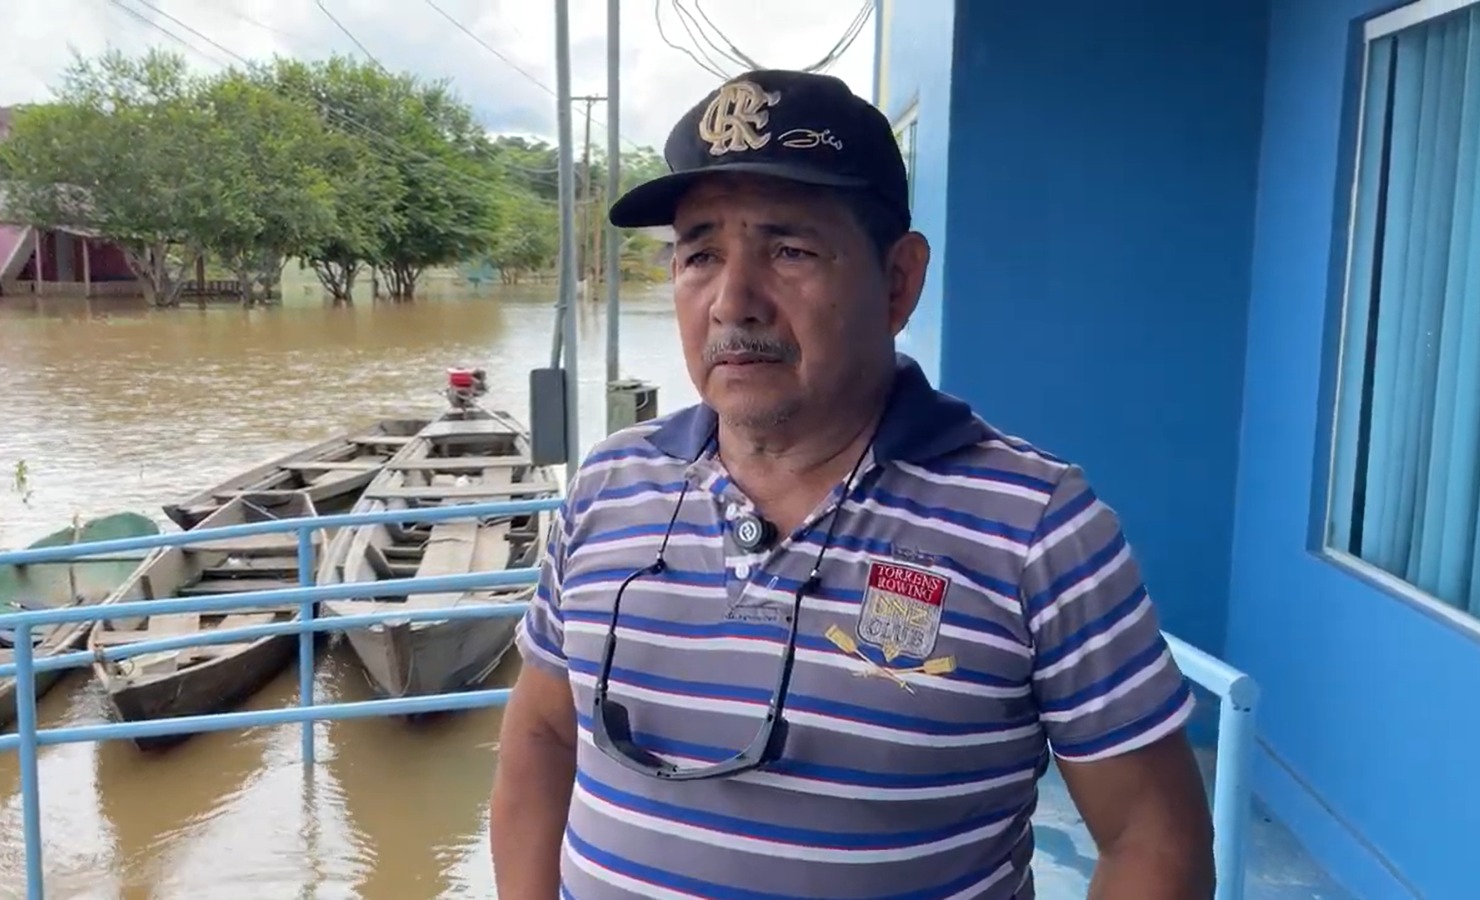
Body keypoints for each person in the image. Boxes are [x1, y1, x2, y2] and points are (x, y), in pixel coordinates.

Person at [489, 68, 1215, 900]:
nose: (734, 303)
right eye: (700, 254)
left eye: (789, 250)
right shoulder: (609, 484)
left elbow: (1150, 836)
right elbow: (544, 734)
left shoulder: (1038, 527)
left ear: (898, 281)